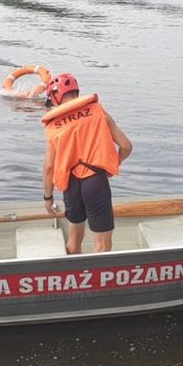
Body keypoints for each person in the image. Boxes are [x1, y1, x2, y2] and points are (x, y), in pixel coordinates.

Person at [41, 73, 132, 254]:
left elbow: (49, 168)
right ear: (76, 92)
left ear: (55, 97)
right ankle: (101, 278)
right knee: (102, 243)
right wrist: (113, 164)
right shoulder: (98, 112)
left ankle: (75, 277)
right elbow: (126, 146)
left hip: (70, 185)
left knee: (74, 238)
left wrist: (48, 197)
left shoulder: (53, 126)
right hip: (95, 182)